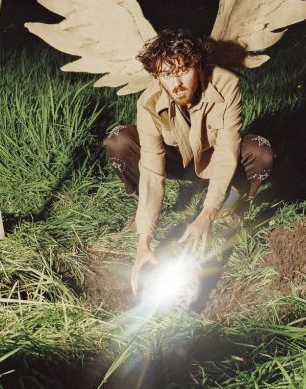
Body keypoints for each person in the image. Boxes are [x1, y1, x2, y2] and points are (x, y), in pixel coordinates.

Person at [105, 29, 275, 295]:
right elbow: (151, 171)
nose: (177, 83)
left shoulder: (226, 84)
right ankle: (140, 213)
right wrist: (144, 243)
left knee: (261, 151)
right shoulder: (148, 103)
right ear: (157, 76)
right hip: (175, 161)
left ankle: (230, 203)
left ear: (198, 65)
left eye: (183, 70)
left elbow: (227, 150)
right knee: (118, 140)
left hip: (213, 159)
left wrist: (207, 213)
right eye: (166, 74)